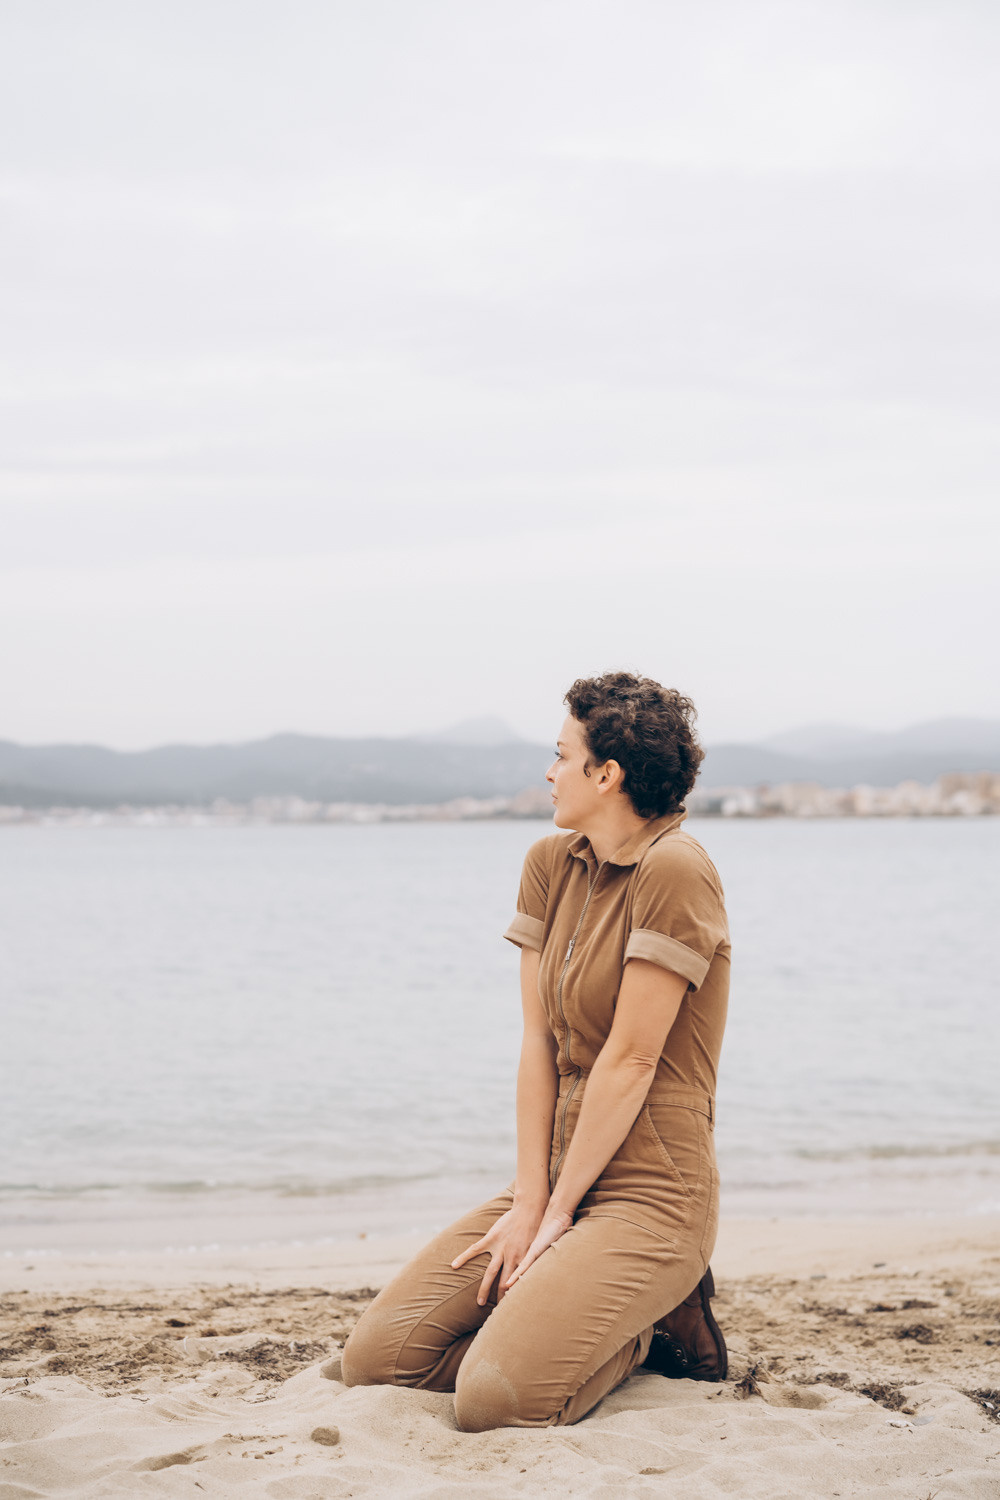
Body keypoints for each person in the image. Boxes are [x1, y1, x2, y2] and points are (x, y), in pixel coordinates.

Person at [342, 671, 731, 1429]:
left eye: (560, 755)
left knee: (495, 1402)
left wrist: (557, 1213)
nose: (548, 773)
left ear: (606, 773)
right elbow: (539, 1042)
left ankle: (649, 1326)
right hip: (558, 1177)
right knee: (380, 1363)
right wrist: (529, 1202)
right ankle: (568, 1317)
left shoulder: (677, 870)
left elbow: (631, 1061)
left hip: (652, 1192)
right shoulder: (551, 864)